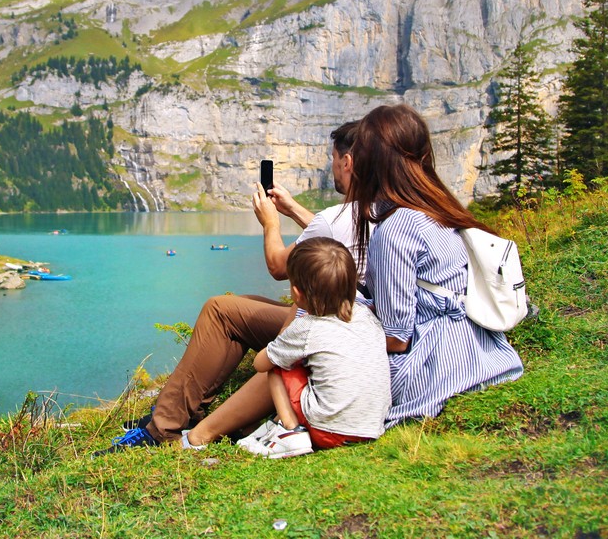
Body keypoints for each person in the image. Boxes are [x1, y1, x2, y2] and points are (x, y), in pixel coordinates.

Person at [102, 121, 369, 451]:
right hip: (354, 322)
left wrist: (271, 222)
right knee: (244, 303)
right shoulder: (375, 209)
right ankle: (183, 411)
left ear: (347, 162)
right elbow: (331, 233)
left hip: (330, 326)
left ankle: (164, 428)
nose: (332, 167)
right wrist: (294, 209)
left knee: (221, 310)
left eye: (333, 158)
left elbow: (278, 266)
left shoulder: (342, 215)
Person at [349, 104, 523, 426]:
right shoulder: (439, 212)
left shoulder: (394, 231)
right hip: (486, 355)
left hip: (434, 370)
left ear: (370, 164)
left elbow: (397, 338)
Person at [181, 237, 390, 457]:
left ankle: (290, 431)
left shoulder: (307, 327)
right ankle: (269, 427)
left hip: (329, 431)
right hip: (371, 428)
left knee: (277, 366)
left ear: (297, 293)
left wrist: (279, 342)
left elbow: (261, 363)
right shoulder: (365, 316)